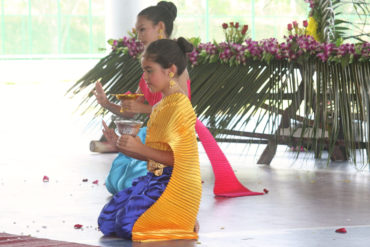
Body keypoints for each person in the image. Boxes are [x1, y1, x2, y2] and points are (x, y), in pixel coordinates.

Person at [96, 1, 262, 197]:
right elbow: (134, 110)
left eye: (142, 30)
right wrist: (106, 104)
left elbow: (180, 108)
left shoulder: (172, 62)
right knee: (115, 183)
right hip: (152, 131)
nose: (138, 36)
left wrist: (141, 118)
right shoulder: (149, 68)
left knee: (128, 185)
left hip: (169, 136)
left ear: (160, 28)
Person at [98, 38, 201, 241]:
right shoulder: (160, 105)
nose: (144, 77)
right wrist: (122, 144)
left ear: (170, 70)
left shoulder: (180, 107)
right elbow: (152, 155)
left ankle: (182, 219)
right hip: (154, 179)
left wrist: (141, 150)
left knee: (128, 226)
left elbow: (179, 161)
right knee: (107, 221)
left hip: (174, 185)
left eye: (149, 70)